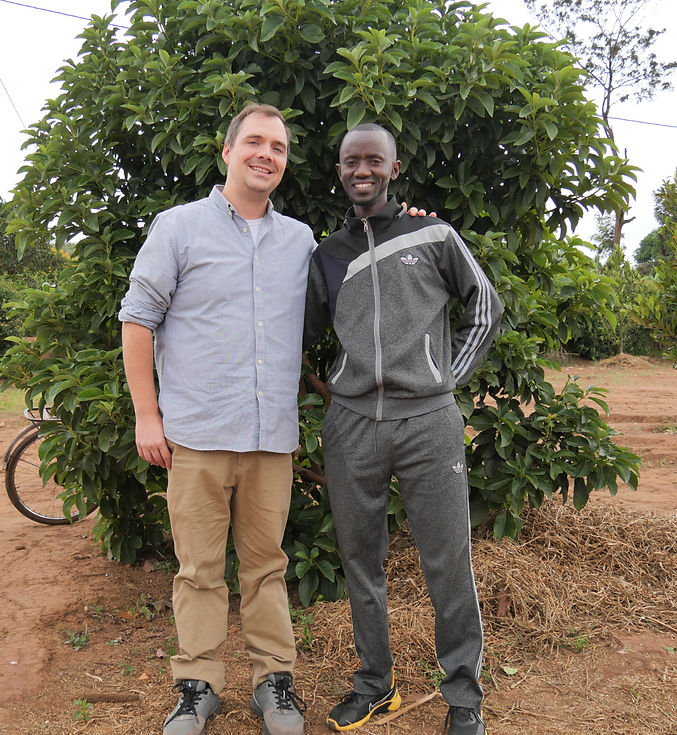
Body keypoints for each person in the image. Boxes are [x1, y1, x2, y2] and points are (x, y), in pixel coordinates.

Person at [119, 104, 313, 735]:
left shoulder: (301, 242)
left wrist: (411, 222)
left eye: (278, 147)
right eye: (254, 142)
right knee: (198, 569)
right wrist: (147, 415)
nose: (267, 154)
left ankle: (273, 684)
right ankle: (197, 686)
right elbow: (137, 319)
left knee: (267, 566)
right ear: (226, 153)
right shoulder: (178, 228)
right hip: (197, 436)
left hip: (269, 440)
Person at [304, 123, 503, 735]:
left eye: (373, 161)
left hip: (429, 424)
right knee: (361, 561)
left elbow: (485, 308)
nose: (361, 170)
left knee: (448, 559)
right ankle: (375, 685)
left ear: (393, 168)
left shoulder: (433, 234)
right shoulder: (328, 254)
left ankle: (463, 695)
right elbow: (301, 338)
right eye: (350, 161)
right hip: (353, 425)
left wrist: (443, 377)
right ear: (339, 170)